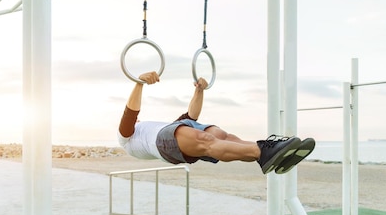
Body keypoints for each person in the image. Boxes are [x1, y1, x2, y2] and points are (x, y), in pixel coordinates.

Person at [117, 71, 315, 174]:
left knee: (221, 136)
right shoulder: (126, 138)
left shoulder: (154, 126)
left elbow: (191, 116)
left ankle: (273, 153)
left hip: (173, 131)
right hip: (163, 144)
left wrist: (199, 90)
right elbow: (131, 113)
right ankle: (264, 152)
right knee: (206, 140)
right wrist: (139, 82)